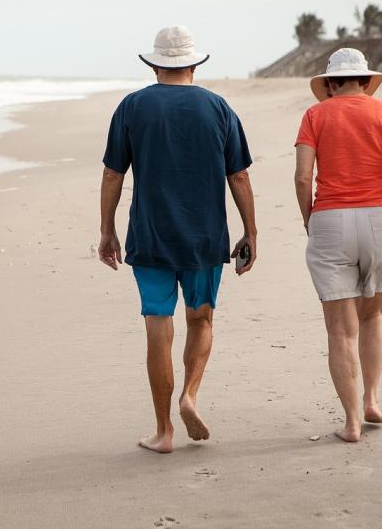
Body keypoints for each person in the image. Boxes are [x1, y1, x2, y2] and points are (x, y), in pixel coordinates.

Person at [99, 26, 257, 453]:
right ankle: (190, 394)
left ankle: (164, 430)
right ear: (194, 63)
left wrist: (107, 229)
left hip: (150, 235)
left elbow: (114, 173)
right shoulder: (219, 108)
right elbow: (238, 175)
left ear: (154, 64)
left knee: (157, 324)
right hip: (205, 237)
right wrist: (251, 231)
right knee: (201, 320)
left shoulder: (132, 107)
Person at [295, 47, 382, 442]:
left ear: (330, 84)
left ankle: (350, 423)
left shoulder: (316, 115)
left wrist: (310, 220)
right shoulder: (380, 112)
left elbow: (302, 177)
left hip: (330, 217)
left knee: (340, 330)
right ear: (366, 81)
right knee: (372, 316)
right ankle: (372, 400)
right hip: (379, 215)